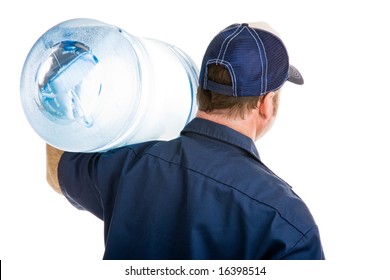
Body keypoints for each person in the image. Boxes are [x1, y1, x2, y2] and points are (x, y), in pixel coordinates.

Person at [46, 22, 325, 260]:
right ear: (266, 103)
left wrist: (58, 83)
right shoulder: (285, 221)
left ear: (201, 88)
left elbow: (57, 167)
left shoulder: (129, 166)